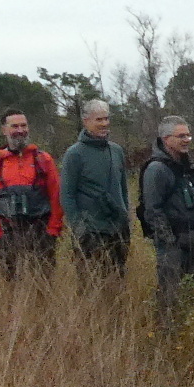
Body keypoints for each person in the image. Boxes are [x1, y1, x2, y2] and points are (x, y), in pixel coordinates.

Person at [139, 115, 194, 329]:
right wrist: (169, 242)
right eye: (181, 136)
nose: (187, 139)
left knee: (187, 294)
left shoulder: (188, 167)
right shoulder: (157, 169)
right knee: (169, 295)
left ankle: (183, 334)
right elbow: (152, 210)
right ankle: (165, 340)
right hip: (173, 245)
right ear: (166, 138)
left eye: (188, 135)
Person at [0, 109, 63, 279]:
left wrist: (52, 231)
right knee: (11, 287)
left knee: (43, 286)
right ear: (4, 130)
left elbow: (57, 197)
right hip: (8, 233)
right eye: (14, 126)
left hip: (41, 232)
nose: (20, 130)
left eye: (23, 125)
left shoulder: (44, 160)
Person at [59, 100, 132, 278]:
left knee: (117, 282)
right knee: (90, 285)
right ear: (86, 121)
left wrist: (125, 218)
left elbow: (122, 188)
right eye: (99, 119)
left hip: (117, 230)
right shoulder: (74, 154)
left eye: (106, 118)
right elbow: (67, 195)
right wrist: (80, 228)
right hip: (90, 232)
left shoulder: (116, 151)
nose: (104, 124)